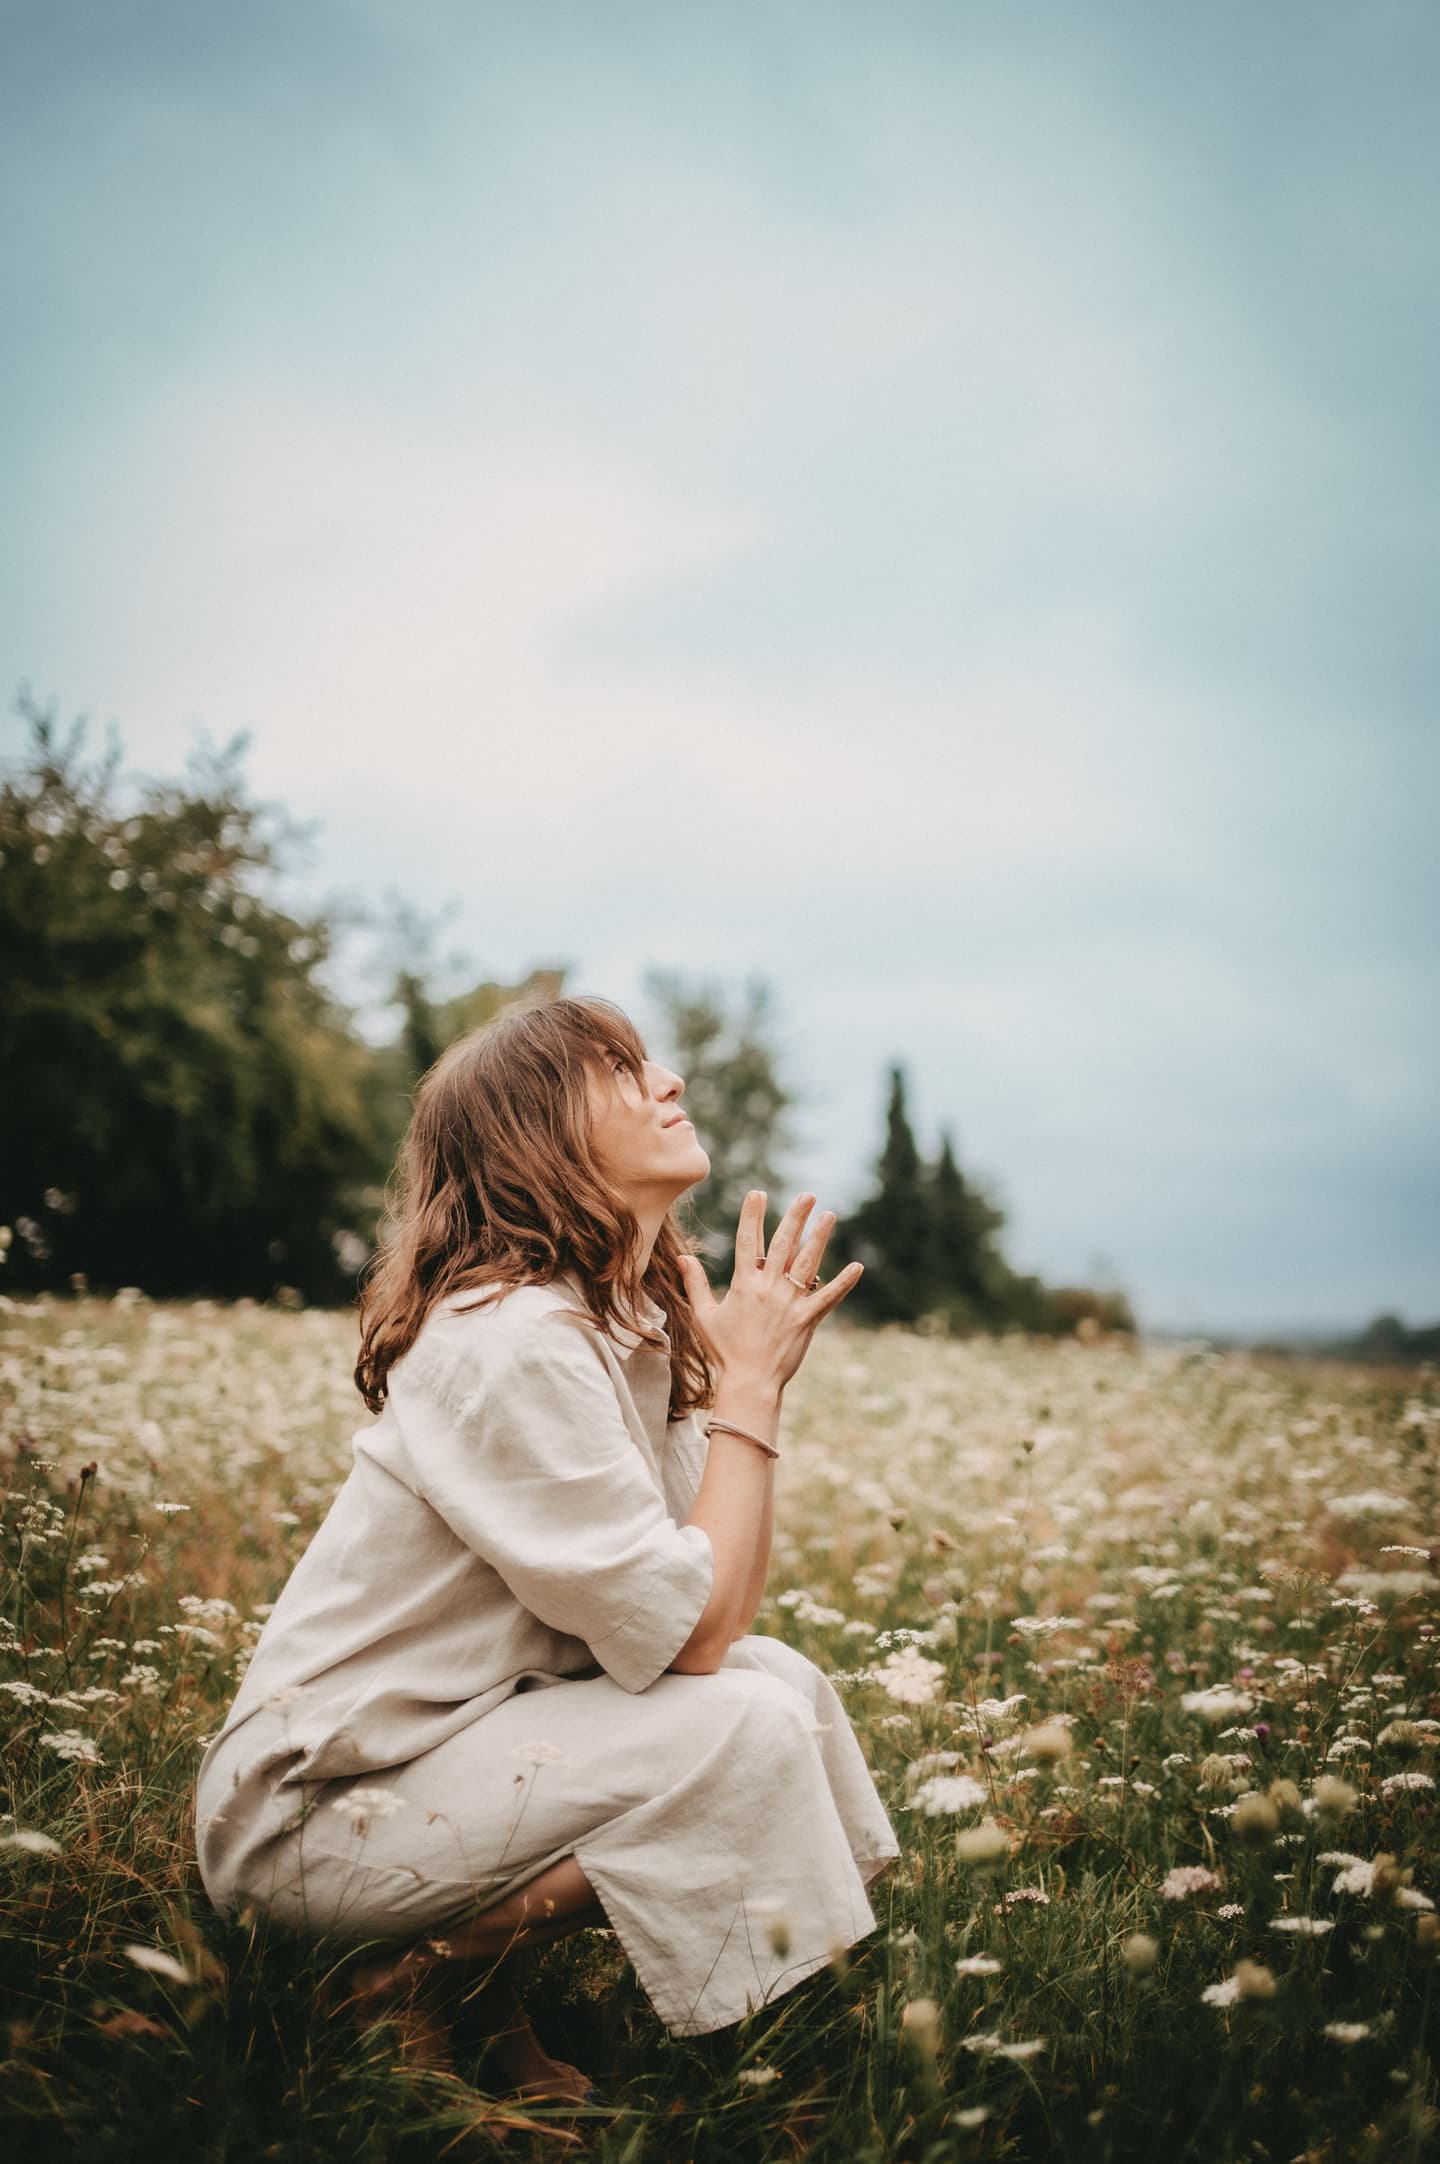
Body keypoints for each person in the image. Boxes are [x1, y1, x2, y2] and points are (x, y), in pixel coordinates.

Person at [194, 994, 900, 2100]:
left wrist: (730, 1387)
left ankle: (470, 1992)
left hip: (438, 1754)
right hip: (310, 1813)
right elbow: (692, 1637)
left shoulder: (611, 1328)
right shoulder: (509, 1336)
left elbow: (709, 1617)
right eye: (617, 1070)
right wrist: (751, 1395)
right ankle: (420, 1973)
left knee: (783, 1686)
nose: (666, 1081)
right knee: (744, 1719)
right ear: (538, 1139)